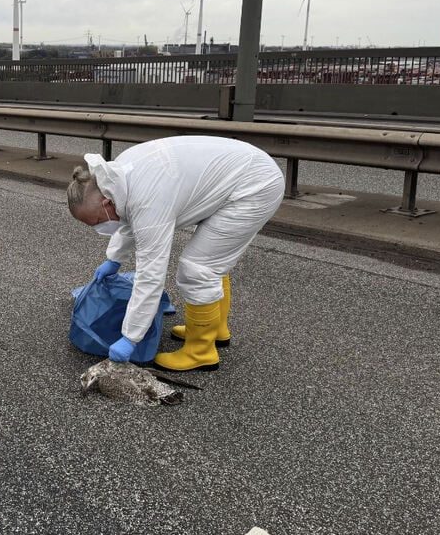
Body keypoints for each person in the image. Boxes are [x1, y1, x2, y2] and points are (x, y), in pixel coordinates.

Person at [67, 136, 285, 372]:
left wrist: (130, 338)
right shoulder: (117, 176)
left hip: (253, 187)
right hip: (242, 170)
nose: (101, 228)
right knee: (211, 261)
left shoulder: (148, 202)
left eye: (98, 221)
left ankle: (201, 351)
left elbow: (150, 275)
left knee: (199, 268)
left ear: (107, 203)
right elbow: (127, 216)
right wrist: (114, 259)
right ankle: (214, 330)